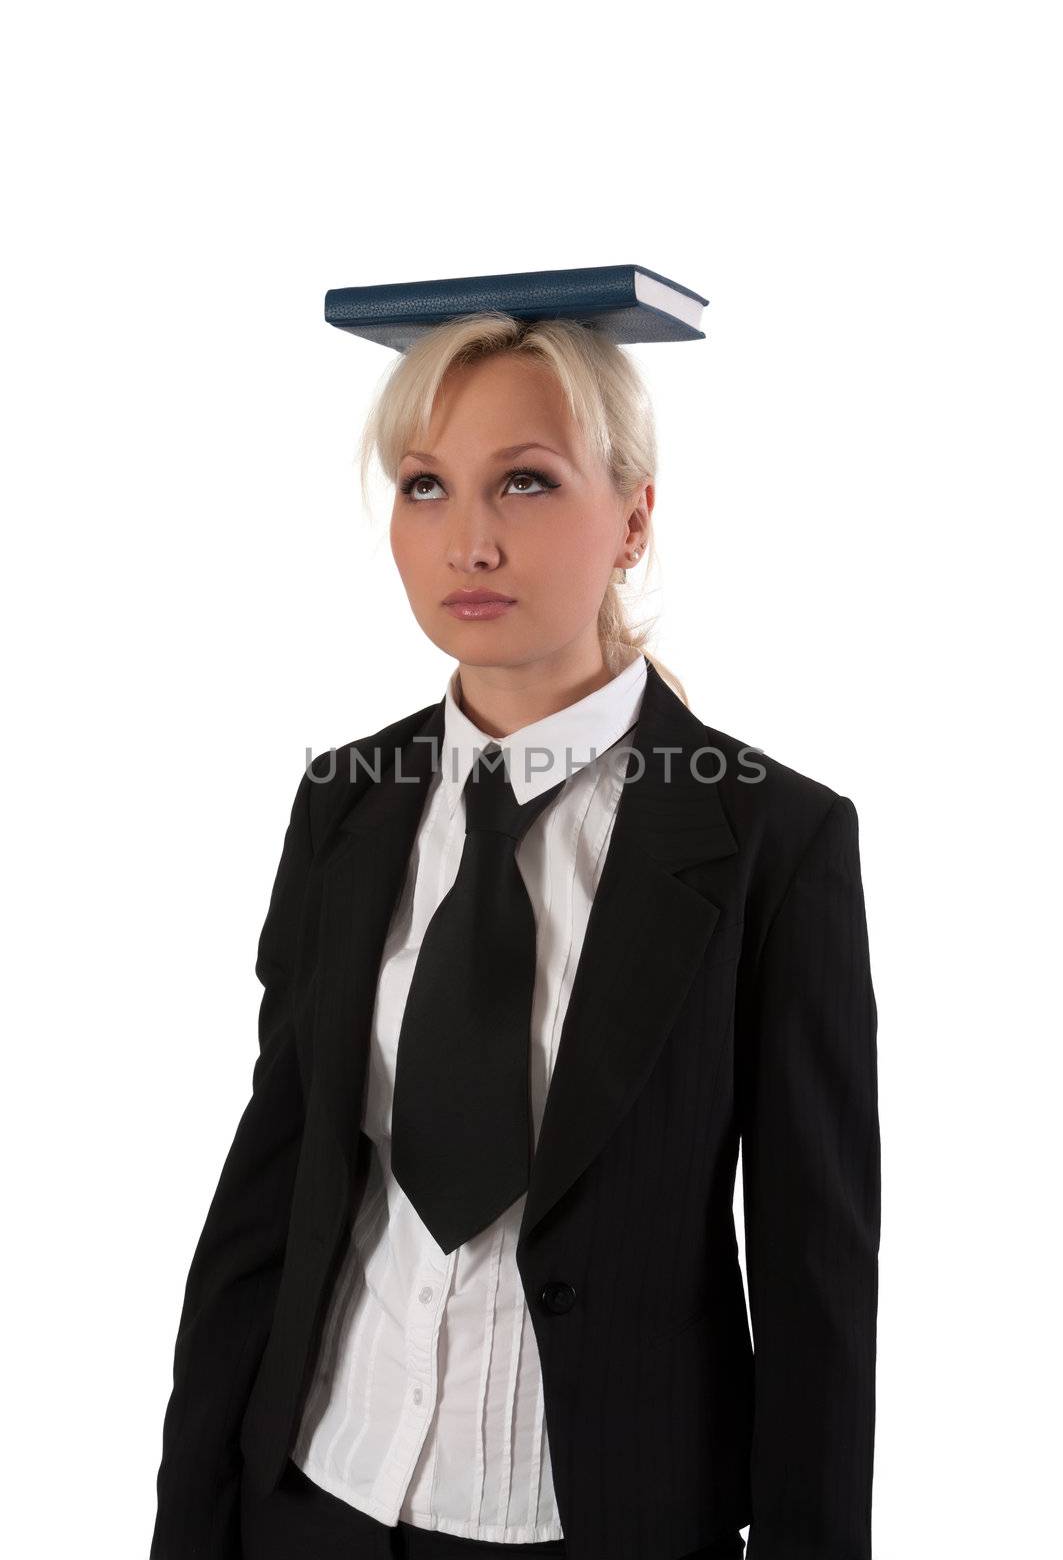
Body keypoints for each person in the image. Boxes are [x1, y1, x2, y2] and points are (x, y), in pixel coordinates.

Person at [150, 314, 881, 1560]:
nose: (467, 540)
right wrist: (192, 1518)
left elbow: (818, 1277)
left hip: (598, 1521)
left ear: (635, 519)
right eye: (425, 485)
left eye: (526, 481)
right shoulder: (347, 800)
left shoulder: (772, 837)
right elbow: (272, 1183)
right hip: (312, 1501)